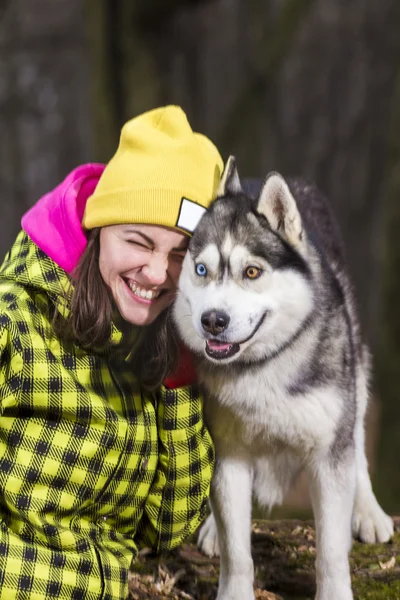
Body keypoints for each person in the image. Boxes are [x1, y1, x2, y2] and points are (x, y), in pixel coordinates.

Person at [0, 106, 223, 600]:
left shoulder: (156, 351)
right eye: (138, 242)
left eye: (182, 254)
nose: (156, 272)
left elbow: (168, 528)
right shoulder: (15, 323)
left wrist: (181, 372)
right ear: (99, 230)